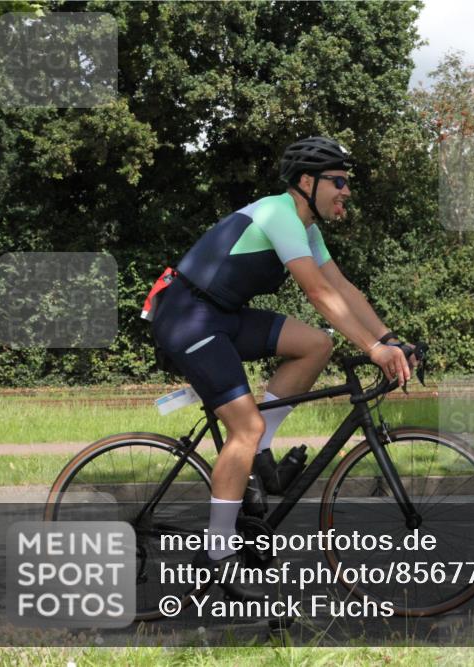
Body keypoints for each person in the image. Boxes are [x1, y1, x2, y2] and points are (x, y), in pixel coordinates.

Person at [149, 136, 412, 600]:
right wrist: (372, 349)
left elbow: (344, 290)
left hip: (223, 315)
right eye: (338, 181)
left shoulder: (307, 229)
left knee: (316, 344)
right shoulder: (278, 213)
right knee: (244, 427)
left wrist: (390, 339)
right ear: (307, 182)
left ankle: (260, 453)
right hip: (188, 318)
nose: (347, 190)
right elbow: (318, 293)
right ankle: (217, 553)